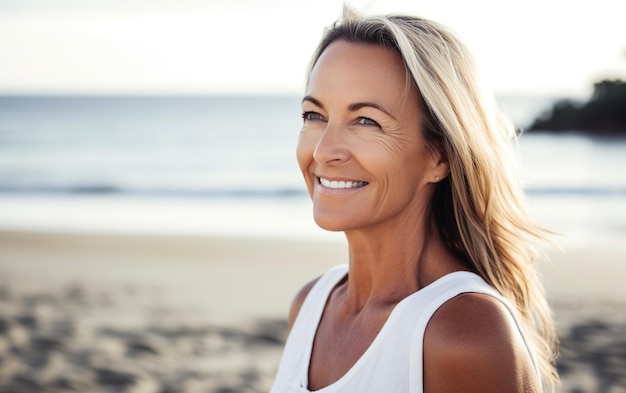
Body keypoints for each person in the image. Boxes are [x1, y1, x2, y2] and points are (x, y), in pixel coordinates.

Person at [270, 7, 559, 393]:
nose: (323, 151)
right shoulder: (309, 305)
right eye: (313, 115)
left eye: (366, 121)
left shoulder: (466, 335)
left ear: (438, 156)